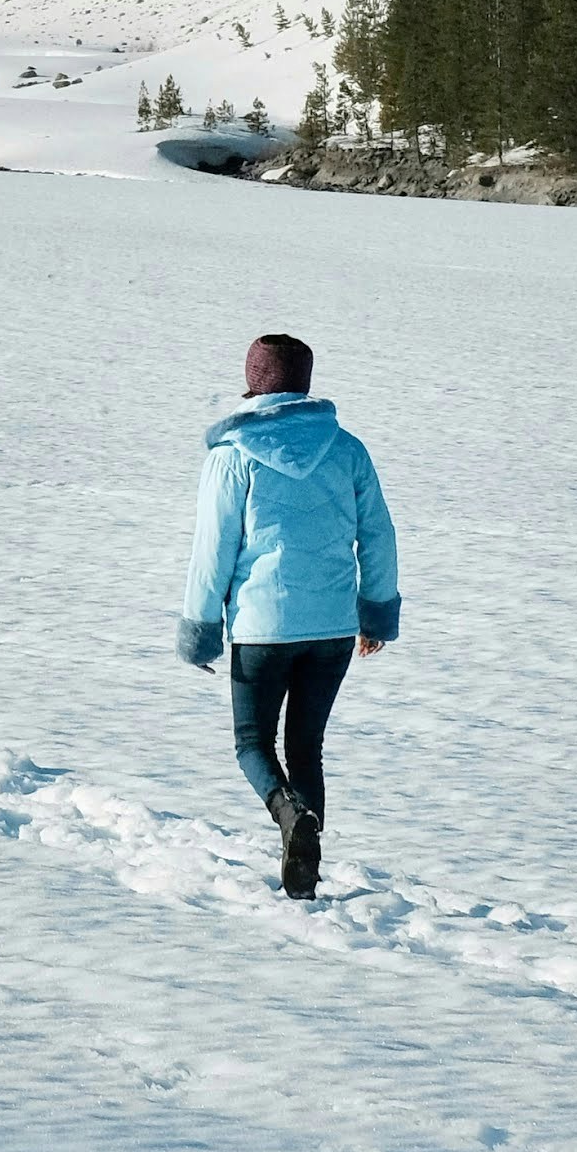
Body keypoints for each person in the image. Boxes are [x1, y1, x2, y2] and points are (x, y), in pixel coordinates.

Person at [175, 329, 400, 898]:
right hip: (331, 626)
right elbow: (378, 534)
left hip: (262, 625)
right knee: (306, 747)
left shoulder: (232, 457)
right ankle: (305, 873)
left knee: (252, 743)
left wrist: (200, 629)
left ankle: (287, 816)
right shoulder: (348, 449)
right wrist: (375, 612)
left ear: (251, 383)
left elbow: (213, 549)